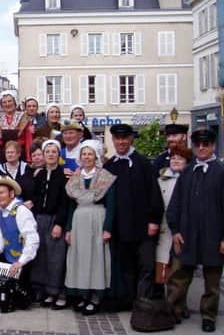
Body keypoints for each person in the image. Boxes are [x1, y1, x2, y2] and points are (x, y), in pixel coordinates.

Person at [167, 128, 224, 332]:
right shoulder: (188, 171)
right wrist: (175, 230)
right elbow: (176, 204)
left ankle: (209, 315)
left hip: (214, 234)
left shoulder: (223, 172)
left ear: (213, 146)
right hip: (187, 233)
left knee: (212, 280)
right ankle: (174, 310)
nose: (201, 148)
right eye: (197, 144)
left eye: (205, 144)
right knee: (179, 276)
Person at [103, 123, 163, 311]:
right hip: (120, 226)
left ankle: (144, 300)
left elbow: (154, 192)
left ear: (131, 139)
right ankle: (128, 299)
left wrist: (154, 219)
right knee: (125, 265)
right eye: (117, 139)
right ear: (113, 141)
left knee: (146, 264)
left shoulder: (143, 163)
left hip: (142, 225)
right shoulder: (110, 165)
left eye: (124, 139)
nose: (121, 142)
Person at [64, 140, 116, 315]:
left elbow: (112, 205)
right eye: (84, 154)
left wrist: (107, 228)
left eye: (90, 154)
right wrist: (69, 229)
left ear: (96, 157)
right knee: (80, 258)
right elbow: (71, 206)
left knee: (96, 258)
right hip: (79, 220)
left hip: (97, 219)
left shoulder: (105, 176)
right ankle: (84, 295)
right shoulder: (75, 178)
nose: (86, 157)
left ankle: (95, 297)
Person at [30, 140, 69, 308]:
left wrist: (59, 223)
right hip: (40, 218)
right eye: (48, 152)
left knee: (56, 257)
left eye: (54, 152)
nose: (51, 154)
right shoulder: (39, 174)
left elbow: (65, 202)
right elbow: (36, 197)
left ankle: (57, 291)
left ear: (59, 155)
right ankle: (44, 290)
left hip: (55, 219)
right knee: (41, 255)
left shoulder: (63, 175)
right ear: (44, 155)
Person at [0, 176, 39, 284]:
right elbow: (2, 239)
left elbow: (32, 240)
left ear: (11, 194)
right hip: (9, 260)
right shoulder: (0, 212)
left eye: (2, 193)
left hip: (24, 263)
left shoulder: (21, 211)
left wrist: (20, 263)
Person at [156, 146, 192, 290]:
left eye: (180, 158)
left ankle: (178, 305)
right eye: (173, 158)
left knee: (180, 270)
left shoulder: (191, 180)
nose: (176, 160)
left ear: (187, 162)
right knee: (162, 265)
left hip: (183, 229)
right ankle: (162, 302)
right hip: (164, 228)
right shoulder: (161, 180)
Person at [0, 90, 33, 163]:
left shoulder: (24, 118)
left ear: (15, 102)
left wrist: (29, 158)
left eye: (10, 101)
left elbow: (29, 140)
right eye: (4, 102)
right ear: (1, 104)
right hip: (0, 155)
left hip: (20, 154)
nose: (7, 104)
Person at [0, 140, 35, 209]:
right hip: (3, 207)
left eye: (12, 152)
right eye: (7, 152)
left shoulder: (27, 169)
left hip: (24, 207)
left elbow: (33, 189)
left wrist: (31, 201)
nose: (9, 155)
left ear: (19, 154)